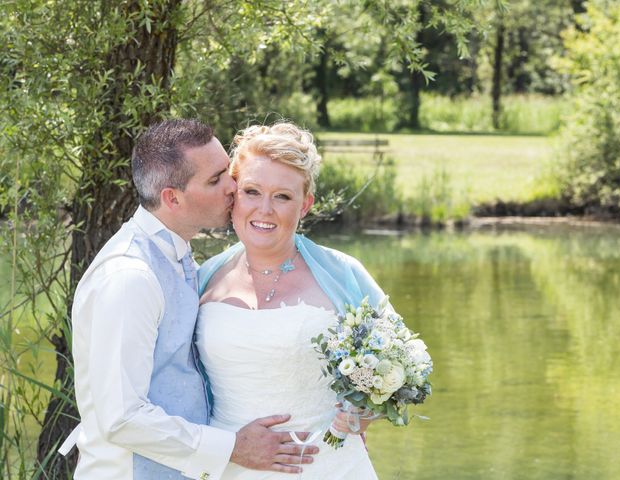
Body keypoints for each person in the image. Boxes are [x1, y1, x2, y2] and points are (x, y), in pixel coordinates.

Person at [67, 119, 319, 479]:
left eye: (228, 174)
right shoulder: (130, 278)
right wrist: (232, 447)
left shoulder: (178, 257)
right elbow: (122, 418)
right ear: (172, 198)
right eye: (216, 180)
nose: (234, 187)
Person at [197, 122, 384, 479]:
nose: (265, 209)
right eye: (252, 191)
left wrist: (366, 408)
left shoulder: (343, 275)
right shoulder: (202, 279)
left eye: (282, 196)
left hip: (328, 465)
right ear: (232, 194)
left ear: (305, 205)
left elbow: (398, 366)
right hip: (229, 467)